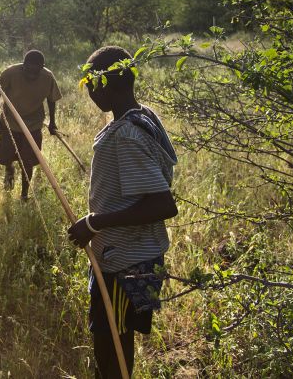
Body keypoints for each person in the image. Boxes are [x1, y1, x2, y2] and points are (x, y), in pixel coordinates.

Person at [67, 46, 179, 379]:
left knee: (111, 348)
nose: (88, 92)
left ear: (108, 83)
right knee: (115, 343)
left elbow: (162, 204)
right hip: (131, 258)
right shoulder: (141, 116)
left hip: (125, 265)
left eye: (91, 84)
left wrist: (94, 222)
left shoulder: (127, 134)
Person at [0, 50, 62, 201]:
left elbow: (51, 99)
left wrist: (52, 122)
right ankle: (9, 170)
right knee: (7, 156)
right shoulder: (10, 73)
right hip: (10, 122)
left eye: (35, 71)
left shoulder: (47, 77)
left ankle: (24, 194)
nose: (31, 75)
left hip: (33, 124)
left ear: (42, 67)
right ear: (23, 65)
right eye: (28, 70)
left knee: (28, 161)